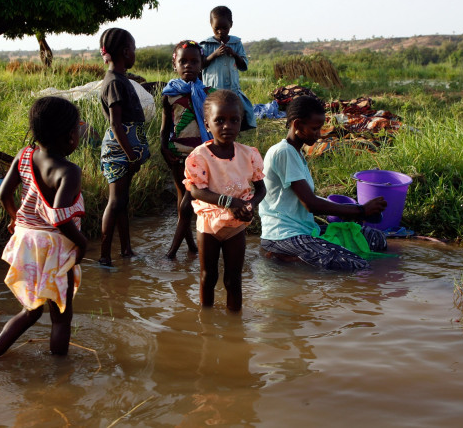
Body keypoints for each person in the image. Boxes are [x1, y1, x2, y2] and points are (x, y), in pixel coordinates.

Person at [0, 97, 88, 361]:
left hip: (26, 242)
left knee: (30, 311)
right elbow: (61, 219)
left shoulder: (24, 155)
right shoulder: (69, 171)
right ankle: (59, 373)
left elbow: (4, 193)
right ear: (69, 137)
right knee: (61, 317)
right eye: (77, 129)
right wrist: (83, 244)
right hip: (53, 247)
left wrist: (13, 218)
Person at [258, 95, 388, 270]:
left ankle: (295, 256)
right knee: (354, 264)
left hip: (304, 229)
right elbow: (311, 205)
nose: (319, 135)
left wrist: (352, 212)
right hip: (283, 235)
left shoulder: (296, 153)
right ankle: (283, 256)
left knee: (376, 239)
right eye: (314, 128)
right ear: (297, 125)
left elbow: (306, 199)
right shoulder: (283, 152)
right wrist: (360, 211)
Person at [183, 90, 266, 311]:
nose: (227, 126)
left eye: (234, 120)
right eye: (219, 120)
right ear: (207, 124)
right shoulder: (199, 157)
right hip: (208, 227)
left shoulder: (248, 155)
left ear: (241, 122)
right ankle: (206, 322)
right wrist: (230, 202)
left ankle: (234, 325)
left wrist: (250, 205)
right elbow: (196, 191)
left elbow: (261, 189)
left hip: (236, 227)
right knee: (208, 277)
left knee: (233, 280)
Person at [98, 28, 150, 266]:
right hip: (120, 152)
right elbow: (116, 124)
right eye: (135, 49)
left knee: (122, 201)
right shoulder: (115, 83)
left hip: (124, 152)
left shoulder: (119, 79)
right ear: (126, 52)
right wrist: (130, 155)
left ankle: (126, 249)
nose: (135, 54)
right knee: (115, 201)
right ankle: (105, 256)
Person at [160, 40, 215, 258]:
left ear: (202, 64)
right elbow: (166, 127)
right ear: (175, 65)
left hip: (201, 156)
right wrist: (164, 148)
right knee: (182, 198)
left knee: (188, 202)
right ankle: (191, 246)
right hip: (177, 153)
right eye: (183, 61)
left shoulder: (210, 93)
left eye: (194, 61)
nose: (188, 66)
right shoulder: (170, 94)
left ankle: (171, 252)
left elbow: (216, 126)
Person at [200, 6, 257, 131]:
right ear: (211, 25)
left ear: (231, 24)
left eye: (224, 28)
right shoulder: (205, 44)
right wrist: (214, 55)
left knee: (235, 112)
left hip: (232, 89)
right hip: (212, 89)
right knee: (213, 114)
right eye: (217, 28)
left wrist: (234, 54)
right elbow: (200, 65)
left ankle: (233, 133)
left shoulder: (236, 43)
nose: (221, 31)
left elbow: (243, 66)